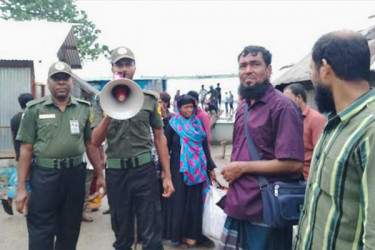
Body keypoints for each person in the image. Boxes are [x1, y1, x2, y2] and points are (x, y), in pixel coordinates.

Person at [295, 31, 375, 250]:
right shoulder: (335, 123)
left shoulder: (370, 131)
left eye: (311, 70)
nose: (312, 77)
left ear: (325, 68)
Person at [219, 45, 304, 250]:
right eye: (243, 65)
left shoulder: (282, 106)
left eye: (255, 64)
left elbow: (293, 164)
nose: (248, 70)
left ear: (269, 70)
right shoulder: (242, 107)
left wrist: (243, 168)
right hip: (239, 203)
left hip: (265, 207)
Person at [15, 61, 106, 250]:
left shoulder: (83, 108)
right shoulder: (35, 109)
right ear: (48, 83)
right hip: (44, 175)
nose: (61, 82)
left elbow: (90, 143)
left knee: (70, 226)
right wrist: (21, 187)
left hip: (74, 175)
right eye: (56, 79)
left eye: (65, 78)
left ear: (71, 82)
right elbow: (26, 149)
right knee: (41, 228)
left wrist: (99, 175)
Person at [91, 46, 174, 250]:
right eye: (120, 64)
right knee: (122, 232)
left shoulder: (147, 98)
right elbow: (95, 140)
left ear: (135, 67)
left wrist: (167, 175)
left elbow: (159, 137)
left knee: (151, 231)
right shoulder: (101, 99)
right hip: (117, 172)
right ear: (112, 68)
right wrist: (109, 113)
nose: (125, 68)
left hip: (143, 170)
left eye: (128, 64)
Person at [162, 95, 216, 247]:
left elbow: (205, 146)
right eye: (185, 107)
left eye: (191, 107)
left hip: (197, 168)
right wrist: (164, 170)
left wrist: (210, 167)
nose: (189, 110)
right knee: (179, 201)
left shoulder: (198, 124)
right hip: (177, 168)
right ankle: (178, 235)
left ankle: (193, 235)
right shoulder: (172, 124)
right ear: (179, 108)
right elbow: (164, 147)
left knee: (194, 202)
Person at [283, 83, 327, 180]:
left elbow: (321, 153)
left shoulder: (316, 119)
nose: (284, 103)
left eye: (287, 99)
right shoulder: (289, 119)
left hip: (308, 179)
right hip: (291, 177)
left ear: (299, 98)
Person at [1, 93, 34, 215]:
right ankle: (27, 208)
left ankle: (8, 196)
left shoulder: (14, 118)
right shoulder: (32, 116)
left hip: (19, 152)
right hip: (31, 153)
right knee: (29, 180)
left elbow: (13, 136)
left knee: (19, 177)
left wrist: (16, 152)